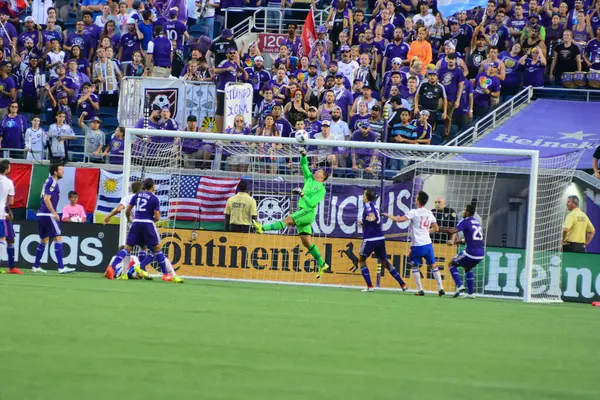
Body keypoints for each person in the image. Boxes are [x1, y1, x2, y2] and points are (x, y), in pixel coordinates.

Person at [253, 147, 331, 279]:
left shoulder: (321, 189)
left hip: (308, 212)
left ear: (323, 177)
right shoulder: (309, 179)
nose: (316, 171)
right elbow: (304, 165)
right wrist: (303, 155)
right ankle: (322, 264)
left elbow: (312, 203)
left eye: (319, 171)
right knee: (306, 242)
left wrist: (301, 194)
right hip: (303, 211)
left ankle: (262, 228)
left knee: (287, 220)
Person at [106, 178, 184, 283]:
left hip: (135, 223)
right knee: (156, 249)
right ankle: (165, 274)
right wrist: (151, 220)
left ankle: (112, 267)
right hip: (147, 224)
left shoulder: (136, 196)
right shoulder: (154, 198)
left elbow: (127, 210)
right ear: (153, 187)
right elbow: (157, 217)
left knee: (127, 248)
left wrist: (130, 219)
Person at [384, 191, 445, 296]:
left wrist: (388, 215)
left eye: (416, 197)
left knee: (415, 267)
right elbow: (436, 228)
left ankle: (420, 289)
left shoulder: (414, 212)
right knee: (433, 265)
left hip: (417, 245)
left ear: (418, 201)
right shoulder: (429, 213)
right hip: (428, 244)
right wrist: (427, 232)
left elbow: (399, 220)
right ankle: (440, 288)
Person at [357, 189, 407, 292]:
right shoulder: (375, 205)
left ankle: (370, 286)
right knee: (384, 262)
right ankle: (402, 284)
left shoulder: (367, 206)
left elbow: (372, 217)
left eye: (364, 194)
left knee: (361, 260)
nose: (363, 196)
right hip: (380, 238)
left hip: (370, 238)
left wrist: (369, 219)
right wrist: (365, 222)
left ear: (366, 197)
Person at [32, 163, 76, 274]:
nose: (63, 171)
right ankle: (61, 267)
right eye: (61, 170)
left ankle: (36, 266)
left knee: (44, 239)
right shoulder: (52, 182)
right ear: (55, 172)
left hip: (41, 214)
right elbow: (47, 199)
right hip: (47, 214)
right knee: (58, 237)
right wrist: (54, 213)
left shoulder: (48, 181)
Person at [446, 204, 484, 299]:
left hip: (471, 253)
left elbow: (453, 231)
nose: (463, 211)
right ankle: (471, 293)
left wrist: (438, 229)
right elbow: (474, 238)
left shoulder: (465, 221)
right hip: (481, 254)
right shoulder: (476, 222)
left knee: (451, 264)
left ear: (467, 212)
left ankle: (459, 286)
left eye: (465, 210)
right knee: (468, 268)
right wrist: (461, 241)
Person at [0, 159, 15, 274]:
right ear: (6, 169)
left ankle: (12, 267)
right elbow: (11, 201)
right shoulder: (8, 182)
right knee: (2, 239)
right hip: (1, 213)